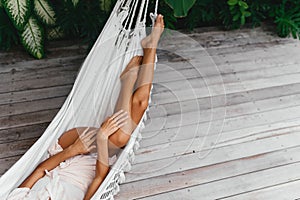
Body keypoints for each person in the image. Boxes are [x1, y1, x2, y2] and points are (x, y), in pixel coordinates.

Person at [7, 14, 164, 200]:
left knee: (121, 133)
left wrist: (72, 150)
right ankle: (144, 57)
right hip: (98, 157)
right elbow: (99, 178)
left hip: (65, 149)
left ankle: (136, 67)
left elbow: (41, 169)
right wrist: (102, 138)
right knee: (127, 125)